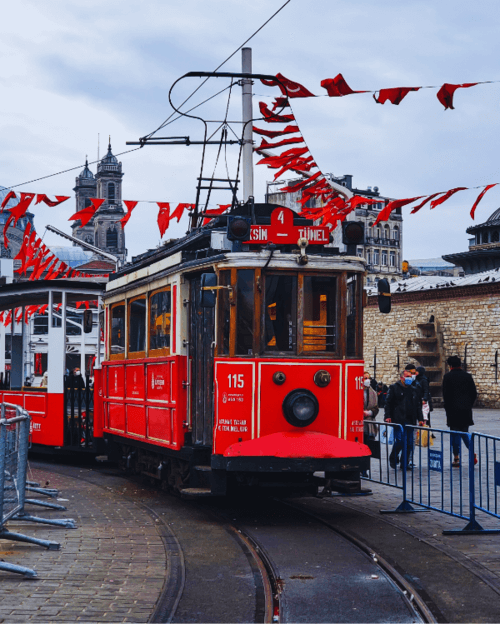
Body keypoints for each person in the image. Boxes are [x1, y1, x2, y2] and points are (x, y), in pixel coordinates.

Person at [442, 355, 477, 467]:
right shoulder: (467, 376)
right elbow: (473, 393)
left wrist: (447, 407)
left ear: (450, 365)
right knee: (465, 433)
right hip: (465, 410)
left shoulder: (447, 377)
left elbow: (445, 394)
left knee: (455, 434)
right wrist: (468, 405)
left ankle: (456, 457)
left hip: (453, 410)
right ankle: (472, 451)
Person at [384, 369, 423, 469]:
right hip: (398, 419)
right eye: (407, 376)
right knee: (400, 441)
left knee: (409, 443)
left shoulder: (414, 389)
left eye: (410, 376)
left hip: (410, 419)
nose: (409, 379)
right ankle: (393, 456)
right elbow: (388, 403)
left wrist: (421, 418)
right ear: (402, 378)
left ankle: (404, 463)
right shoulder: (394, 388)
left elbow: (418, 405)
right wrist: (387, 416)